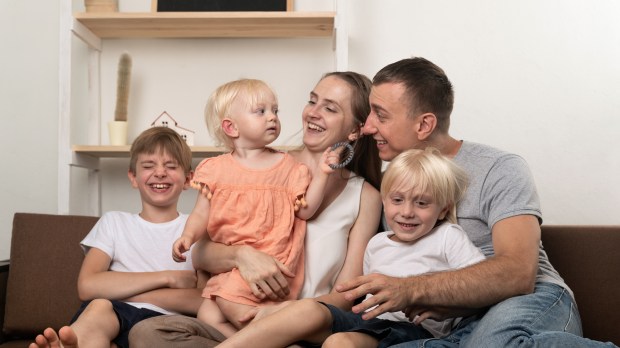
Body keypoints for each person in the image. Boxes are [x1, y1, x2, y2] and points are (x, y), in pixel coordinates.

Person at [333, 57, 618, 347]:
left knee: (492, 342)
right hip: (448, 325)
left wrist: (413, 289)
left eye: (380, 115)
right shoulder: (391, 186)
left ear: (424, 125)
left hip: (524, 299)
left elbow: (519, 273)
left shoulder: (499, 167)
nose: (368, 126)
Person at [128, 71, 384, 347]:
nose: (313, 113)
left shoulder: (365, 196)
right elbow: (200, 255)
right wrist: (241, 256)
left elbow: (345, 295)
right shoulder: (258, 168)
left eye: (330, 108)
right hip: (240, 312)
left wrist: (281, 317)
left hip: (305, 328)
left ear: (355, 130)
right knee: (147, 332)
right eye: (312, 101)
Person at [217, 147, 487, 348]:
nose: (407, 212)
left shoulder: (448, 237)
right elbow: (360, 300)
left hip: (413, 331)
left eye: (422, 203)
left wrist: (442, 301)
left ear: (443, 209)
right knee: (306, 309)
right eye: (397, 200)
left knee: (340, 344)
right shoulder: (377, 243)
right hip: (369, 322)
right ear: (385, 200)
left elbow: (479, 285)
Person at [29, 126, 202, 348]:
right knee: (99, 307)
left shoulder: (198, 230)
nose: (160, 173)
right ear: (133, 177)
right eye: (149, 166)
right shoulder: (113, 222)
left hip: (170, 326)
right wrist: (168, 277)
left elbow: (201, 301)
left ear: (188, 179)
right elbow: (88, 286)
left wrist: (121, 291)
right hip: (114, 317)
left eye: (171, 166)